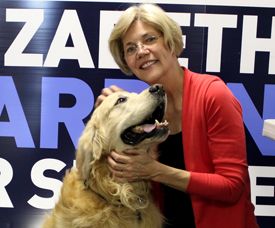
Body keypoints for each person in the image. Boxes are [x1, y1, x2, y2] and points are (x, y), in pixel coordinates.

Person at [95, 3, 259, 228]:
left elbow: (232, 186)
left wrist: (157, 171)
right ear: (127, 62)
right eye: (130, 48)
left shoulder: (213, 94)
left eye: (150, 39)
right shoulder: (142, 111)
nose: (141, 51)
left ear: (171, 42)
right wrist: (113, 113)